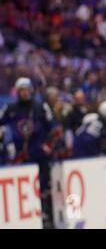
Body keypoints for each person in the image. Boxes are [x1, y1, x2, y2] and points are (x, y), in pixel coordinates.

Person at [0, 77, 62, 228]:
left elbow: (54, 128)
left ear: (31, 90)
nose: (25, 93)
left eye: (27, 89)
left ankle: (46, 215)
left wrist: (48, 145)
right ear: (17, 91)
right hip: (21, 156)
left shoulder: (40, 106)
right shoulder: (10, 107)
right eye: (22, 90)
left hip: (40, 154)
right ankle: (27, 217)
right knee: (24, 189)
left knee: (43, 185)